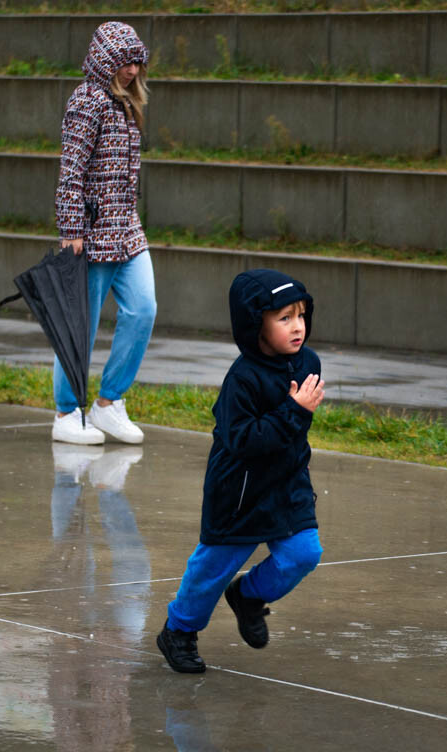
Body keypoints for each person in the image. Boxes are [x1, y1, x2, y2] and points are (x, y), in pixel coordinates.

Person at [156, 269, 326, 674]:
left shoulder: (308, 362)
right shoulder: (242, 380)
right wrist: (293, 412)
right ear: (256, 325)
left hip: (287, 483)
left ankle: (248, 596)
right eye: (284, 318)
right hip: (240, 491)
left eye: (301, 315)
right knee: (212, 570)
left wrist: (296, 433)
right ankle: (179, 630)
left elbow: (295, 428)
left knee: (304, 553)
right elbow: (243, 440)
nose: (297, 326)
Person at [51, 21, 156, 446]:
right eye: (124, 62)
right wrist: (71, 229)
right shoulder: (87, 100)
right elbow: (71, 170)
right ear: (104, 60)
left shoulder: (124, 103)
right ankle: (65, 412)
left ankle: (108, 403)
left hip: (127, 231)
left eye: (137, 62)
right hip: (91, 235)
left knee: (143, 309)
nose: (132, 70)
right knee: (80, 327)